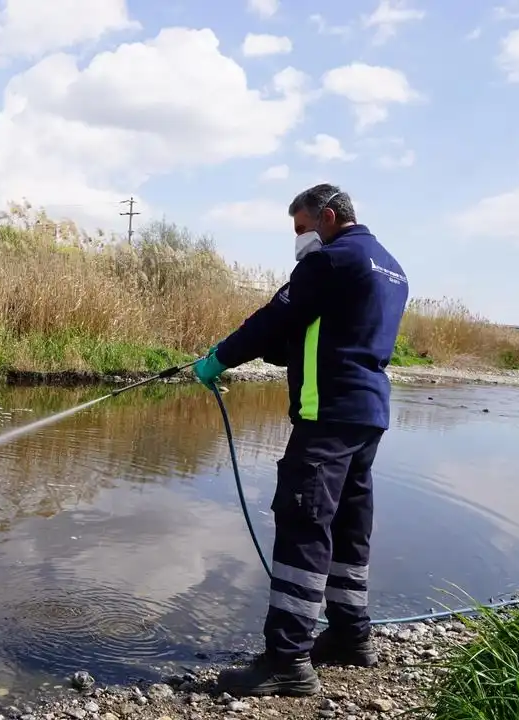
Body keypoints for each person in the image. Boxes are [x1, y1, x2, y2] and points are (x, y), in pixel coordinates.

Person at [193, 184, 409, 697]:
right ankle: (351, 636)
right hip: (367, 414)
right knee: (349, 523)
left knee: (303, 523)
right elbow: (333, 335)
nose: (298, 240)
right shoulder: (391, 267)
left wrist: (218, 358)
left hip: (326, 415)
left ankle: (287, 659)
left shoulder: (332, 260)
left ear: (327, 217)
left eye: (300, 228)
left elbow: (276, 317)